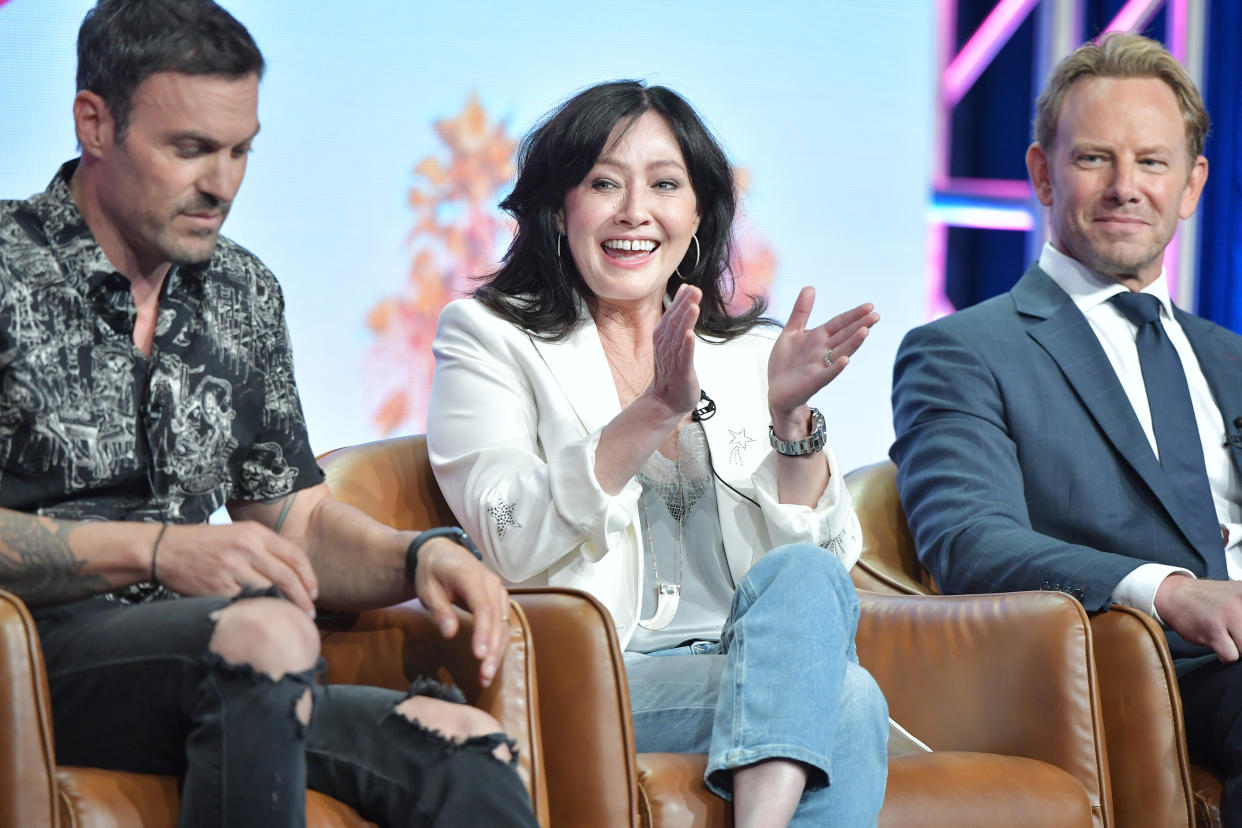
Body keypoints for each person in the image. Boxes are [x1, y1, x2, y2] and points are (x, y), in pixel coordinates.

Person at [0, 2, 537, 826]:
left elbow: (293, 521)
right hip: (29, 655)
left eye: (240, 150)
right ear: (94, 124)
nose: (221, 184)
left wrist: (419, 555)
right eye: (190, 150)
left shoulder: (242, 293)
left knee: (462, 746)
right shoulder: (8, 269)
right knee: (264, 636)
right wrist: (156, 549)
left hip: (214, 664)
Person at [427, 80, 888, 827]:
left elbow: (828, 577)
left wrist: (790, 416)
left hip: (747, 660)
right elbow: (507, 535)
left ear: (698, 214)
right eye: (604, 183)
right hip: (598, 673)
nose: (634, 211)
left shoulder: (755, 357)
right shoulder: (489, 338)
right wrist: (650, 415)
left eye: (665, 185)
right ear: (558, 209)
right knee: (843, 697)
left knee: (805, 586)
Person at [890, 31, 1242, 824]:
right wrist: (1171, 593)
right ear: (1043, 173)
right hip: (1145, 666)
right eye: (1094, 159)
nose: (1127, 187)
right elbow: (969, 544)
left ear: (1192, 186)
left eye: (1153, 162)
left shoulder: (1231, 359)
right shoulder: (962, 350)